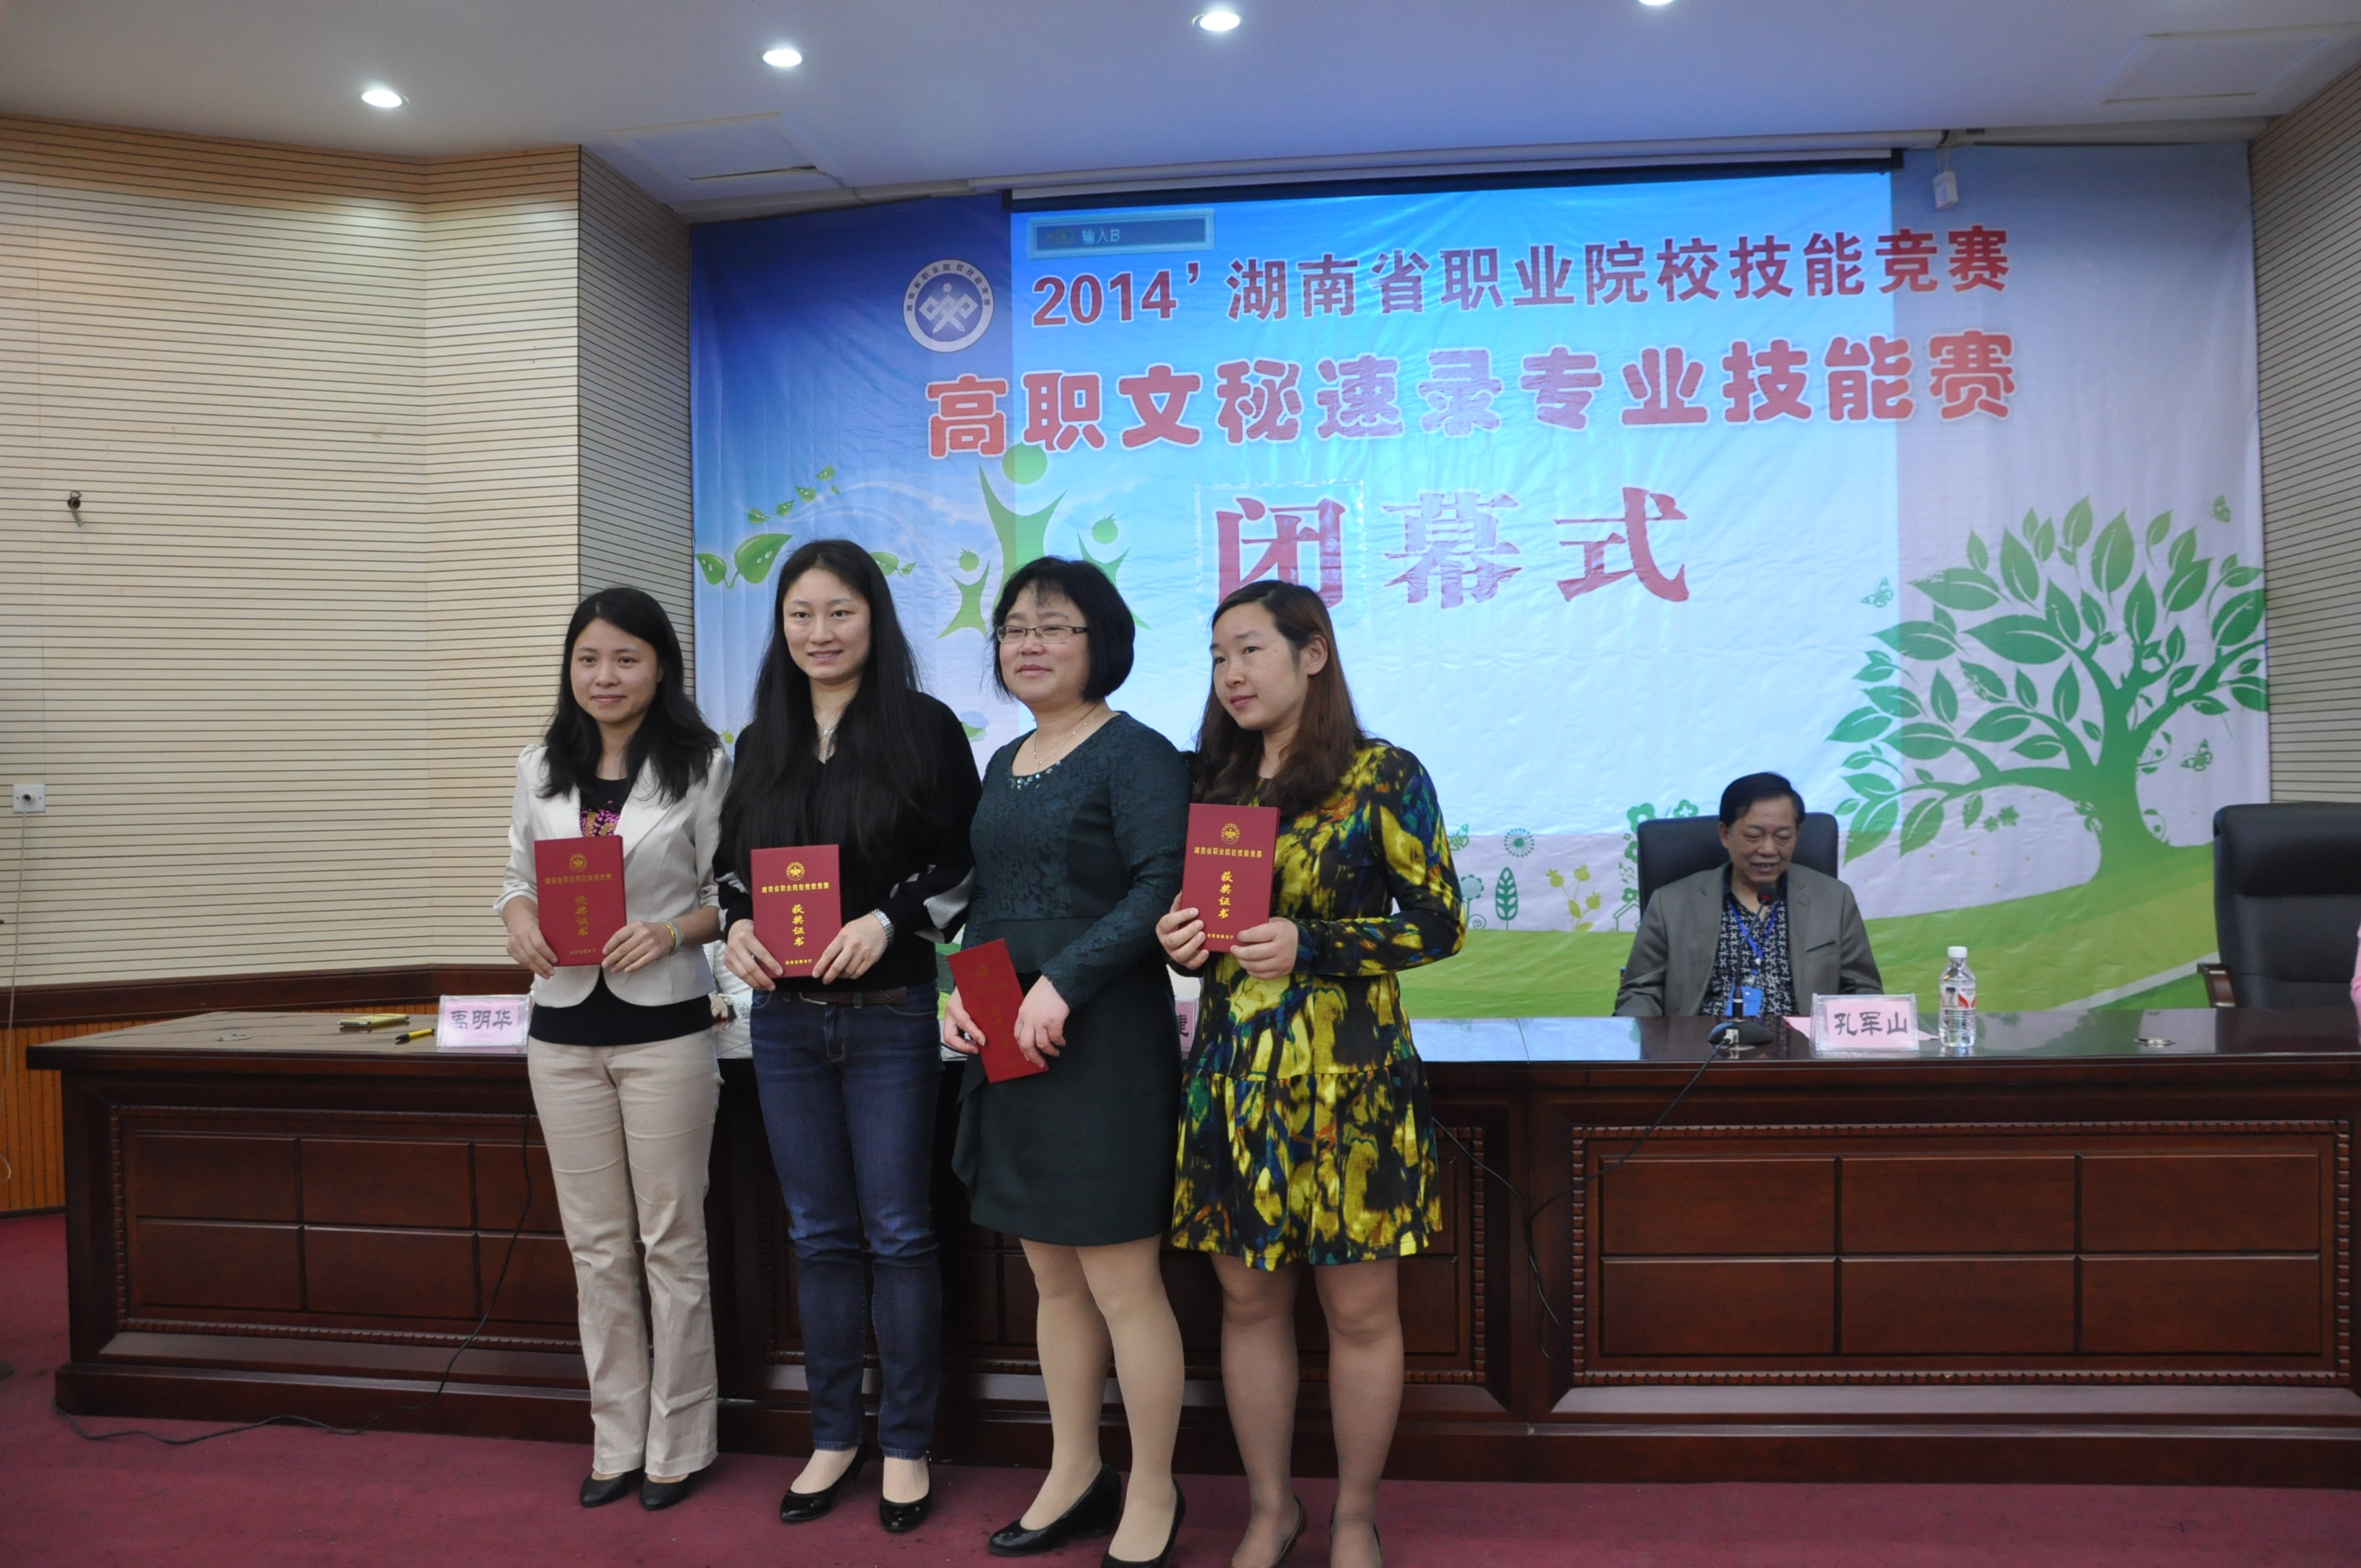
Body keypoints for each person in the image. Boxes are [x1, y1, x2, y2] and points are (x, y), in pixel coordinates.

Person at [1158, 581, 1465, 1568]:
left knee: (1360, 1312)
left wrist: (1315, 942)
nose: (1231, 674)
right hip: (1233, 1080)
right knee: (1248, 1305)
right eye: (1218, 657)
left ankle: (1355, 1515)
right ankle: (1269, 1509)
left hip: (1353, 1085)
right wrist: (1180, 938)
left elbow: (1440, 922)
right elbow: (1197, 922)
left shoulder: (1383, 774)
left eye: (1250, 650)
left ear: (1314, 654)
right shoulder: (1210, 782)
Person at [717, 540, 981, 1533]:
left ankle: (906, 1443)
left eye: (840, 612)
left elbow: (963, 861)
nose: (819, 632)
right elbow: (730, 870)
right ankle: (834, 1435)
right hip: (785, 1021)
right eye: (801, 614)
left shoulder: (924, 728)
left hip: (890, 1015)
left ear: (875, 619)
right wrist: (737, 926)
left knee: (900, 1233)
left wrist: (886, 921)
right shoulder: (761, 741)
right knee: (818, 1235)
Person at [940, 557, 1192, 1568]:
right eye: (1013, 628)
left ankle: (1156, 1487)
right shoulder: (1005, 761)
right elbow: (990, 900)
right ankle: (1075, 1472)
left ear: (1102, 643)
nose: (1028, 643)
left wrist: (1065, 983)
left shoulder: (1139, 754)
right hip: (1012, 1031)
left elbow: (1160, 886)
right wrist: (966, 995)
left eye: (1053, 626)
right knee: (1050, 1277)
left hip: (1104, 1037)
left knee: (1125, 1282)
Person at [495, 587, 730, 1511]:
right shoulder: (539, 765)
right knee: (595, 1248)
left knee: (671, 1241)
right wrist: (519, 920)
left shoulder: (702, 764)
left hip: (664, 1028)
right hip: (561, 1032)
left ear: (660, 667)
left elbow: (727, 894)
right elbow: (515, 877)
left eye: (626, 658)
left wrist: (669, 933)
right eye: (588, 659)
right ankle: (616, 1438)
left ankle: (681, 1442)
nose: (605, 676)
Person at [1614, 772, 1882, 1018]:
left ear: (1798, 834)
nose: (1769, 849)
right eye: (1753, 836)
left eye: (1783, 836)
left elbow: (1862, 990)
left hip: (1802, 1050)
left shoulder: (1834, 899)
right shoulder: (1671, 903)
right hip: (1702, 1048)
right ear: (1725, 834)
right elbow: (1640, 993)